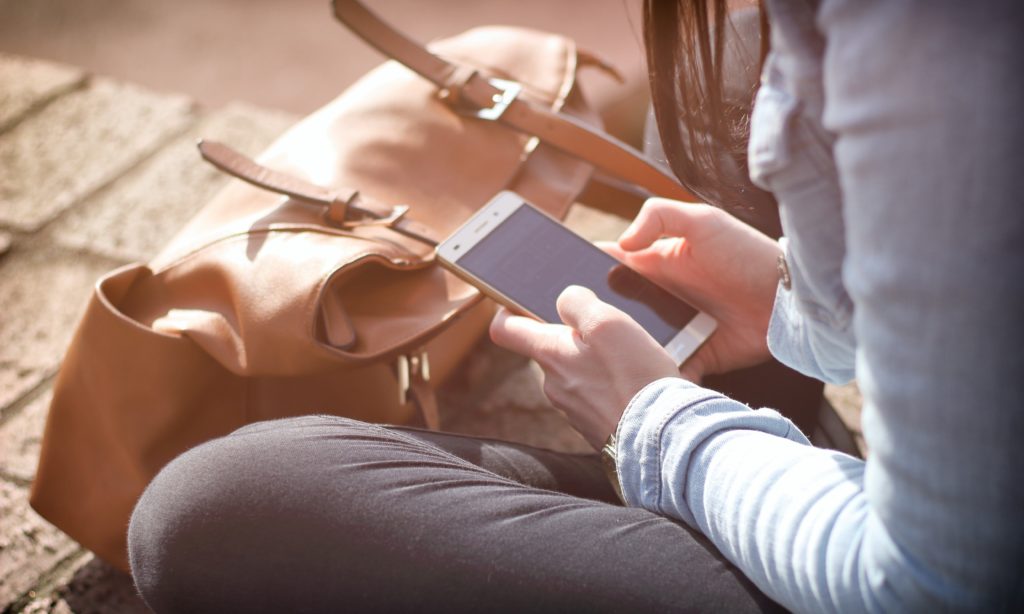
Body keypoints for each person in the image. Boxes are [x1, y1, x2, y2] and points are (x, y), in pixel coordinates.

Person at [127, 1, 1024, 612]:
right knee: (723, 69)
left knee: (218, 508)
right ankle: (785, 464)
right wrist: (800, 311)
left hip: (909, 575)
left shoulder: (923, 58)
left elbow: (933, 586)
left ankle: (754, 478)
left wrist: (657, 423)